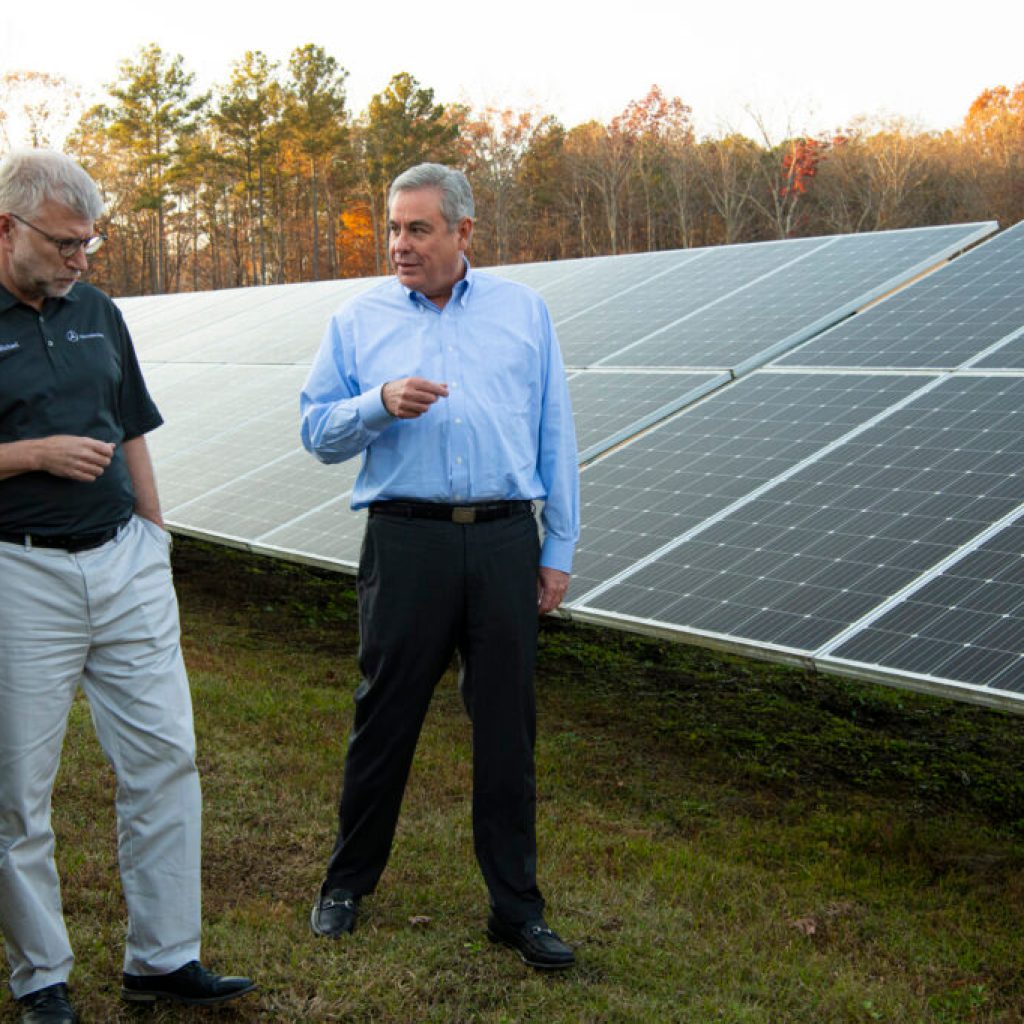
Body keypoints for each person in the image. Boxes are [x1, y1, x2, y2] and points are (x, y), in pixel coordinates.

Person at [300, 163, 580, 970]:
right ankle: (346, 885)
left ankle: (516, 909)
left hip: (502, 541)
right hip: (406, 540)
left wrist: (555, 551)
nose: (399, 245)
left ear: (463, 232)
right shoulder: (357, 322)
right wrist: (376, 403)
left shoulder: (524, 314)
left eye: (418, 229)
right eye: (393, 228)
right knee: (383, 721)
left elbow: (554, 435)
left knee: (506, 733)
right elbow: (316, 433)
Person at [0, 150, 255, 1024]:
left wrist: (155, 531)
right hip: (18, 572)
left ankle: (163, 957)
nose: (80, 259)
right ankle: (43, 979)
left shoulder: (98, 311)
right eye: (65, 243)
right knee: (16, 791)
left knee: (164, 758)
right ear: (7, 229)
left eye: (89, 243)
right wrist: (31, 456)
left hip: (124, 561)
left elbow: (133, 425)